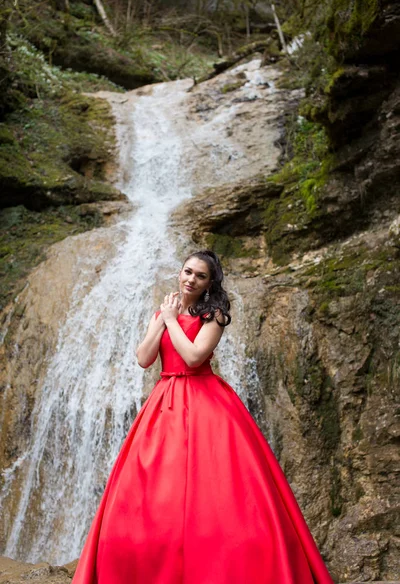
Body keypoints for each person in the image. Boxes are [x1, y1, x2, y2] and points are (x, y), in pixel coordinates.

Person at [72, 249, 335, 584]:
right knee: (156, 488)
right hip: (165, 401)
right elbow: (143, 358)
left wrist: (170, 321)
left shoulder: (214, 315)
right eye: (187, 272)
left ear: (211, 282)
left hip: (205, 400)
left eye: (199, 275)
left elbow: (195, 356)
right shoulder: (163, 311)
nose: (190, 279)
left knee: (215, 485)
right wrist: (162, 319)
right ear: (179, 273)